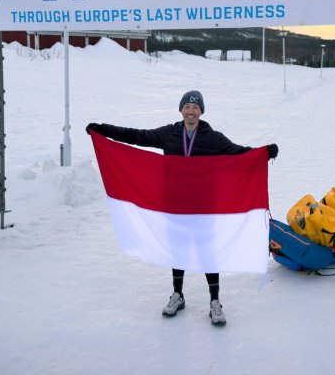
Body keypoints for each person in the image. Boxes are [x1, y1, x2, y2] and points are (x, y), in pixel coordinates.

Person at [86, 90, 278, 326]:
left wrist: (263, 152)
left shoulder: (212, 138)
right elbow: (136, 136)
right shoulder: (169, 134)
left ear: (201, 112)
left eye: (195, 108)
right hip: (174, 205)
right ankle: (178, 295)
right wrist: (103, 130)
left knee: (208, 253)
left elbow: (238, 153)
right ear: (181, 110)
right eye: (187, 106)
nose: (191, 111)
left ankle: (215, 301)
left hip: (204, 207)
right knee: (178, 250)